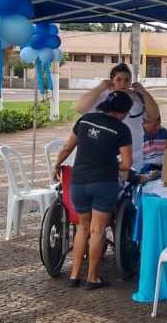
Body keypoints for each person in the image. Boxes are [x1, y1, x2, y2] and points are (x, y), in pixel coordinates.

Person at [53, 91, 133, 291]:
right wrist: (110, 164)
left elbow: (67, 148)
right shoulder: (121, 129)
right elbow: (127, 164)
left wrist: (56, 165)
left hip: (79, 181)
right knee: (98, 230)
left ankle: (73, 276)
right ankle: (92, 278)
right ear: (123, 111)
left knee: (82, 227)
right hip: (103, 183)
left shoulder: (85, 120)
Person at [75, 63, 160, 172]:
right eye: (118, 79)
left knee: (130, 185)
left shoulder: (137, 97)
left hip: (133, 152)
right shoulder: (103, 95)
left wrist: (145, 93)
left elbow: (154, 116)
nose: (122, 84)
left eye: (127, 80)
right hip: (105, 153)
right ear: (111, 80)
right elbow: (80, 109)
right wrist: (99, 89)